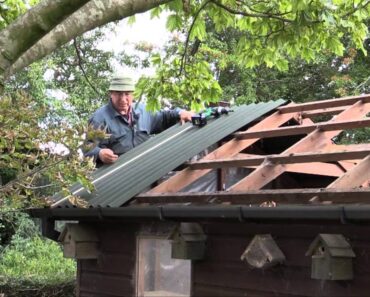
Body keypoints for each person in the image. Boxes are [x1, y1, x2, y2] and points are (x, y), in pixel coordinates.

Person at [85, 73, 193, 165]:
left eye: (127, 94)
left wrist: (180, 112)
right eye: (118, 94)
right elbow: (86, 148)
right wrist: (99, 153)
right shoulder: (99, 119)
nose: (123, 99)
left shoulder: (143, 110)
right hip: (118, 176)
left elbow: (164, 117)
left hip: (147, 166)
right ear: (111, 94)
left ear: (133, 95)